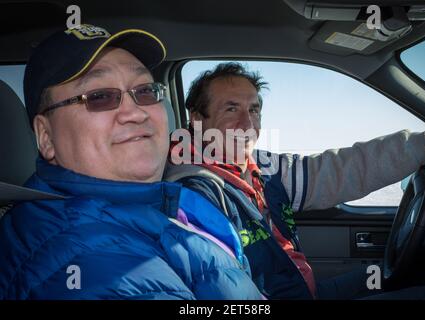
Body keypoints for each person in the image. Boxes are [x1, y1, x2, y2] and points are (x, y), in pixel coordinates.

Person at [0, 26, 263, 300]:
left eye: (146, 91)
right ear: (46, 137)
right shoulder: (85, 260)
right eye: (99, 96)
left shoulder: (151, 204)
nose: (135, 113)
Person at [167, 62, 425, 299]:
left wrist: (424, 143)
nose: (248, 124)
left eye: (253, 110)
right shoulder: (193, 192)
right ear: (197, 119)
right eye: (231, 109)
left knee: (398, 277)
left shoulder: (263, 167)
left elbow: (339, 169)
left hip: (304, 289)